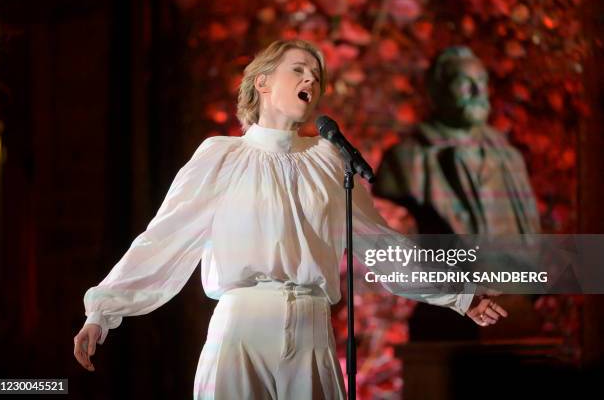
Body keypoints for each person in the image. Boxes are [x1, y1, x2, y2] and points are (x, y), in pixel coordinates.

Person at [73, 40, 508, 399]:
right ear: (262, 81)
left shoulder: (328, 160)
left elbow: (379, 243)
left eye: (317, 76)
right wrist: (104, 310)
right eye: (298, 70)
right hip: (243, 325)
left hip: (312, 328)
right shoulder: (222, 155)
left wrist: (459, 294)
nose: (311, 80)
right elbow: (164, 237)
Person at [373, 46, 540, 235]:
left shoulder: (510, 158)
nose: (478, 92)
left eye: (482, 82)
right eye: (464, 83)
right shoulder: (408, 159)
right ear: (437, 91)